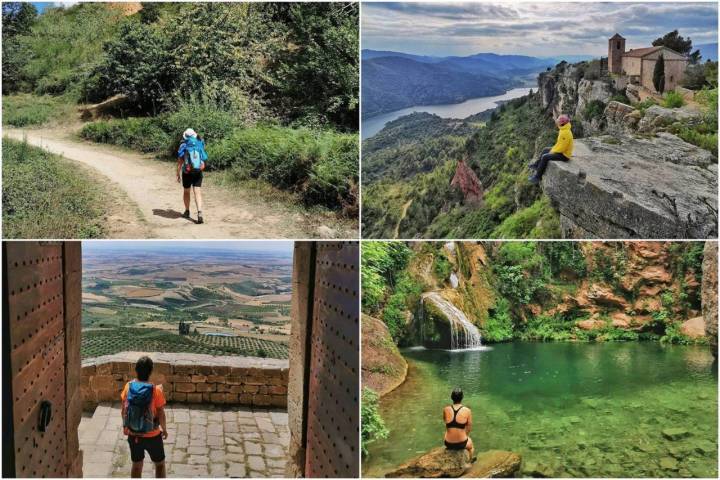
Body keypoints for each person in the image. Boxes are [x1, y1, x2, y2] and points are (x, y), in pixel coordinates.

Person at [121, 356, 168, 478]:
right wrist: (165, 429)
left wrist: (126, 426)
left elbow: (123, 410)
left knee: (136, 465)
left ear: (136, 370)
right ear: (151, 372)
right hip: (152, 435)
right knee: (160, 464)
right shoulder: (155, 390)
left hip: (134, 434)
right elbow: (161, 413)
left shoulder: (128, 387)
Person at [528, 114, 573, 184]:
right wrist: (553, 149)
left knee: (545, 157)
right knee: (545, 149)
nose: (557, 121)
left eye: (558, 121)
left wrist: (552, 151)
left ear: (562, 123)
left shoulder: (565, 133)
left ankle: (537, 177)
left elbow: (562, 148)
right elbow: (559, 144)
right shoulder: (563, 129)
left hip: (564, 155)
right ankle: (537, 165)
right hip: (561, 151)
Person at [176, 128, 207, 224]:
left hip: (187, 172)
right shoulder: (200, 142)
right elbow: (203, 156)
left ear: (185, 136)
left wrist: (177, 173)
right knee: (197, 191)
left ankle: (187, 211)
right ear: (194, 135)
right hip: (198, 171)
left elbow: (180, 161)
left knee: (186, 191)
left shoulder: (183, 145)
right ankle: (200, 212)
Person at [443, 387, 474, 457]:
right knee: (471, 446)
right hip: (461, 443)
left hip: (448, 443)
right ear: (462, 397)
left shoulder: (446, 409)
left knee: (447, 431)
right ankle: (470, 461)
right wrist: (464, 435)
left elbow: (445, 421)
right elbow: (469, 428)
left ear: (451, 397)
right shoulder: (467, 410)